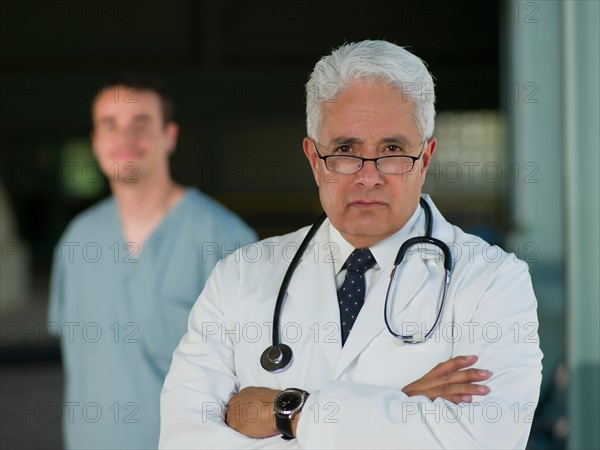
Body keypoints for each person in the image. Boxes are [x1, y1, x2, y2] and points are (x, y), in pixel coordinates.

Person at [159, 41, 543, 448]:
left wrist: (288, 413)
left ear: (426, 158)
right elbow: (186, 439)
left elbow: (484, 440)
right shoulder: (240, 276)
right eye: (345, 151)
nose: (368, 176)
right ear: (313, 158)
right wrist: (400, 405)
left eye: (393, 151)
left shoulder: (493, 282)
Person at [48, 73, 257, 450]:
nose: (125, 138)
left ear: (170, 136)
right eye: (110, 126)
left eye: (140, 124)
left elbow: (255, 377)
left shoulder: (226, 241)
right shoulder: (78, 240)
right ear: (96, 142)